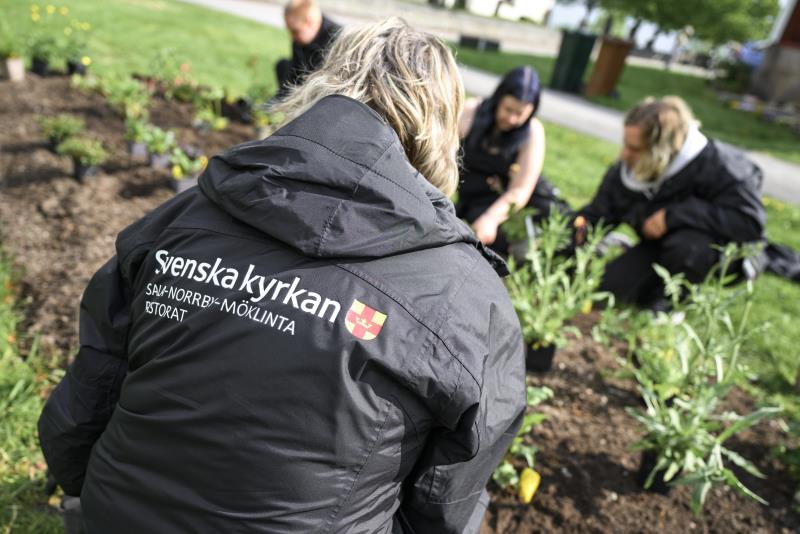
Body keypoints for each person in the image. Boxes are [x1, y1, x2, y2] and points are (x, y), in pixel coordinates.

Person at [38, 18, 526, 534]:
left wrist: (84, 495)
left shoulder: (182, 219)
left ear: (325, 85)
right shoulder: (467, 298)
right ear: (444, 129)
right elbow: (444, 509)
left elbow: (82, 408)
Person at [575, 95, 766, 308]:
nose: (624, 155)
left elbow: (749, 222)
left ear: (662, 150)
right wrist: (560, 239)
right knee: (608, 290)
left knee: (687, 248)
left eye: (635, 149)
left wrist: (673, 216)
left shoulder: (723, 168)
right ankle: (653, 291)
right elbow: (597, 215)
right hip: (659, 246)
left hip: (716, 253)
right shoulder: (626, 172)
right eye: (625, 145)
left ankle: (671, 306)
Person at [456, 65, 567, 256]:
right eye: (508, 109)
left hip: (515, 204)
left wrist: (491, 218)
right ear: (499, 98)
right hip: (472, 197)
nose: (512, 118)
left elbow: (520, 191)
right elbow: (444, 155)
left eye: (520, 114)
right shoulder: (471, 112)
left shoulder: (532, 132)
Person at [275, 0, 340, 97]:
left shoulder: (337, 38)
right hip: (305, 83)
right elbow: (294, 71)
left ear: (309, 21)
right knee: (282, 65)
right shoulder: (299, 41)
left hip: (326, 92)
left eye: (295, 31)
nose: (292, 37)